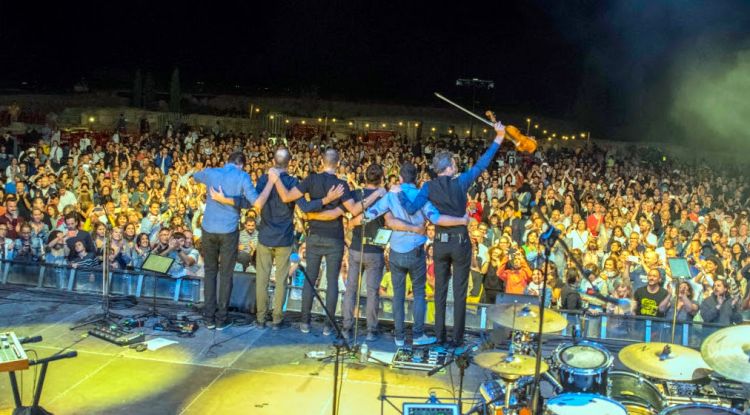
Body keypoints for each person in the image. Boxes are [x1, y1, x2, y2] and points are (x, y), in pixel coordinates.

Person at [398, 120, 507, 347]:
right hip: (460, 243)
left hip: (439, 243)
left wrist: (399, 193)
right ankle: (456, 339)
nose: (456, 166)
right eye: (454, 163)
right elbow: (482, 165)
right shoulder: (460, 182)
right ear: (449, 167)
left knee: (439, 292)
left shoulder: (428, 187)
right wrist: (498, 138)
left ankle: (439, 336)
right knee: (459, 293)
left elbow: (410, 208)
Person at [270, 148, 384, 335]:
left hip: (314, 236)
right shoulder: (341, 185)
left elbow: (287, 197)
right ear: (338, 164)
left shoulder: (311, 179)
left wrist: (275, 180)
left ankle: (305, 323)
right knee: (332, 282)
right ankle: (327, 326)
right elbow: (355, 210)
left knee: (310, 280)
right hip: (334, 238)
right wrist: (377, 194)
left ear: (321, 162)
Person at [363, 161, 468, 346]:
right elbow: (436, 218)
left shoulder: (390, 195)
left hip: (396, 251)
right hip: (416, 251)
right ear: (417, 178)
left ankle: (399, 336)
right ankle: (418, 335)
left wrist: (355, 217)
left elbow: (370, 213)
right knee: (419, 293)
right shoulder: (422, 196)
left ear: (401, 178)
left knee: (398, 294)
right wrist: (461, 220)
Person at [192, 151, 276, 330]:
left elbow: (194, 176)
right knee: (226, 273)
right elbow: (255, 202)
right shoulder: (242, 176)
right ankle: (221, 318)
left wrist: (222, 197)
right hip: (228, 231)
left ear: (227, 161)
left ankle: (209, 318)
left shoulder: (212, 172)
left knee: (210, 271)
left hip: (208, 228)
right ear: (241, 165)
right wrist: (235, 201)